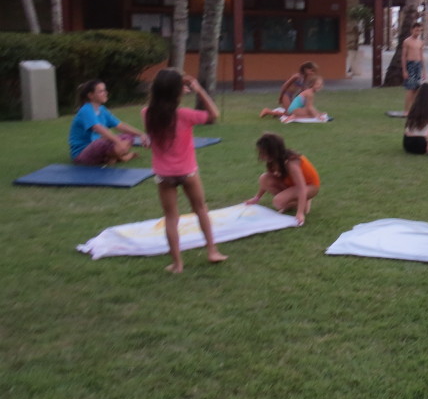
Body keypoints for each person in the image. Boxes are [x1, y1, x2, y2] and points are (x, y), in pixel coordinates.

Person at [143, 69, 227, 273]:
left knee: (171, 217)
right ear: (177, 92)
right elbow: (214, 115)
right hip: (187, 172)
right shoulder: (185, 115)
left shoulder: (147, 113)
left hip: (164, 175)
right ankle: (212, 251)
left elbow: (152, 137)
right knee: (200, 209)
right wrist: (199, 89)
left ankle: (177, 264)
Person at [246, 133, 320, 226]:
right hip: (293, 186)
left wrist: (300, 213)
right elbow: (266, 181)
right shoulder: (274, 161)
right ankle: (297, 202)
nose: (261, 156)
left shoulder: (291, 163)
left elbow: (301, 188)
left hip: (309, 186)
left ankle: (303, 204)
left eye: (263, 153)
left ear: (273, 151)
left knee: (278, 202)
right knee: (264, 178)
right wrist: (257, 198)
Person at [69, 79, 146, 165]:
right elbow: (98, 128)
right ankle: (120, 157)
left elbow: (120, 125)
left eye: (105, 90)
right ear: (91, 95)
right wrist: (118, 142)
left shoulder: (102, 110)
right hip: (82, 154)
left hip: (100, 147)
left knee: (128, 136)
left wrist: (141, 134)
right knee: (100, 142)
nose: (105, 93)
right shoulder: (86, 110)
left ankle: (110, 157)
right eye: (101, 91)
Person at [261, 75, 326, 120]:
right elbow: (310, 107)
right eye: (317, 84)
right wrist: (317, 116)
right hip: (294, 109)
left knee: (311, 113)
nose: (320, 86)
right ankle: (294, 117)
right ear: (312, 84)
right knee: (311, 115)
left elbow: (309, 107)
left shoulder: (308, 91)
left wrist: (318, 113)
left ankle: (293, 115)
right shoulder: (310, 93)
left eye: (321, 84)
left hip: (294, 108)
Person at [401, 21, 425, 115]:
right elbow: (403, 56)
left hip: (418, 65)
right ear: (412, 30)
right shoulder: (407, 41)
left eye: (419, 30)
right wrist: (404, 70)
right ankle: (406, 110)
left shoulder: (420, 42)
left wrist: (424, 71)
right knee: (410, 88)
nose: (418, 32)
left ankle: (414, 109)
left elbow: (422, 56)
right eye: (416, 30)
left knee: (417, 89)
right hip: (410, 65)